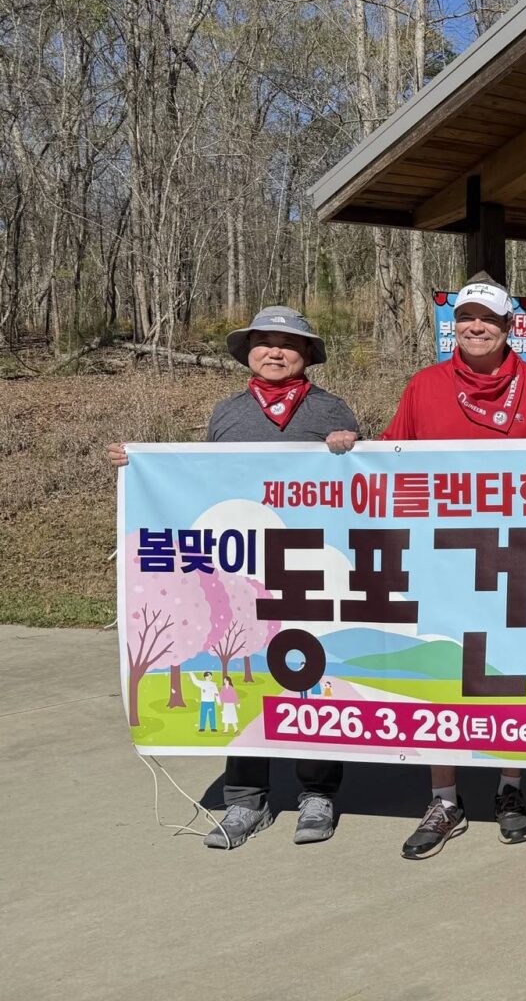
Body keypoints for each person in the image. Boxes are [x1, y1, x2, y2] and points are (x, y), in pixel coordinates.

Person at [328, 277, 526, 860]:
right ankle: (444, 799)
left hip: (518, 558)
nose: (476, 327)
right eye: (467, 317)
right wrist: (351, 448)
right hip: (439, 558)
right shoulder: (425, 385)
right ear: (454, 326)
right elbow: (388, 459)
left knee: (510, 673)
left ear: (508, 328)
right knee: (440, 677)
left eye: (488, 319)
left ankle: (510, 787)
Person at [110, 305, 358, 850]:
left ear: (308, 354)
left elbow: (361, 490)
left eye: (288, 344)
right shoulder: (227, 413)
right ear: (248, 353)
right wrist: (139, 466)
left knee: (313, 678)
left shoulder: (331, 409)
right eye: (264, 342)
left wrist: (351, 449)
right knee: (241, 682)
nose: (275, 352)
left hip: (308, 568)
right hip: (240, 569)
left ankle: (318, 793)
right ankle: (246, 800)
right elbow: (199, 482)